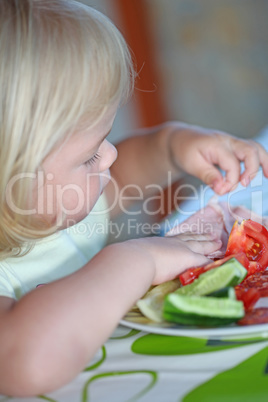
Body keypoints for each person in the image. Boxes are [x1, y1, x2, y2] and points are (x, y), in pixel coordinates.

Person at [0, 0, 267, 397]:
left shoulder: (50, 208)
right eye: (90, 154)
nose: (111, 155)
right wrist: (137, 258)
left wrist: (173, 146)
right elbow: (23, 363)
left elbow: (122, 178)